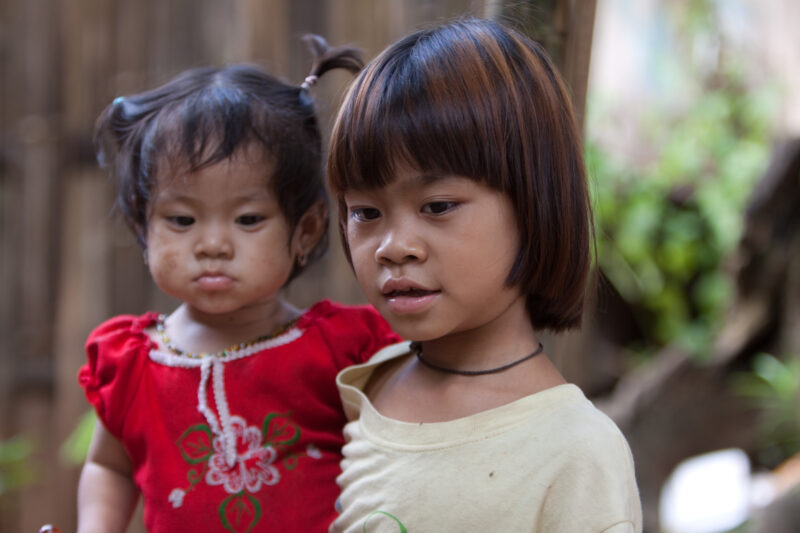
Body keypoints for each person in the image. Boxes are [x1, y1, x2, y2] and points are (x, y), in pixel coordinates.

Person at [326, 18, 642, 532]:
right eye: (365, 212)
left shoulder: (575, 452)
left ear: (534, 203)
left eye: (438, 205)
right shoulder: (367, 385)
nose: (393, 246)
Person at [77, 36, 400, 533]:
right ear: (145, 226)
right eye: (181, 220)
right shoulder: (133, 364)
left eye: (248, 219)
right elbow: (109, 466)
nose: (212, 244)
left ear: (306, 229)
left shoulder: (338, 352)